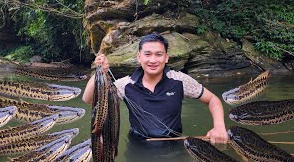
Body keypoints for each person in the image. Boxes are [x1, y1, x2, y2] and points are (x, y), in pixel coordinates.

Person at [82, 33, 228, 145]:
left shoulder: (180, 80)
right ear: (139, 57)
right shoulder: (125, 84)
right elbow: (88, 100)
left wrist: (219, 126)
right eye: (147, 54)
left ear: (166, 58)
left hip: (174, 145)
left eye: (159, 54)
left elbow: (212, 100)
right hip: (138, 147)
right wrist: (99, 73)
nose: (153, 60)